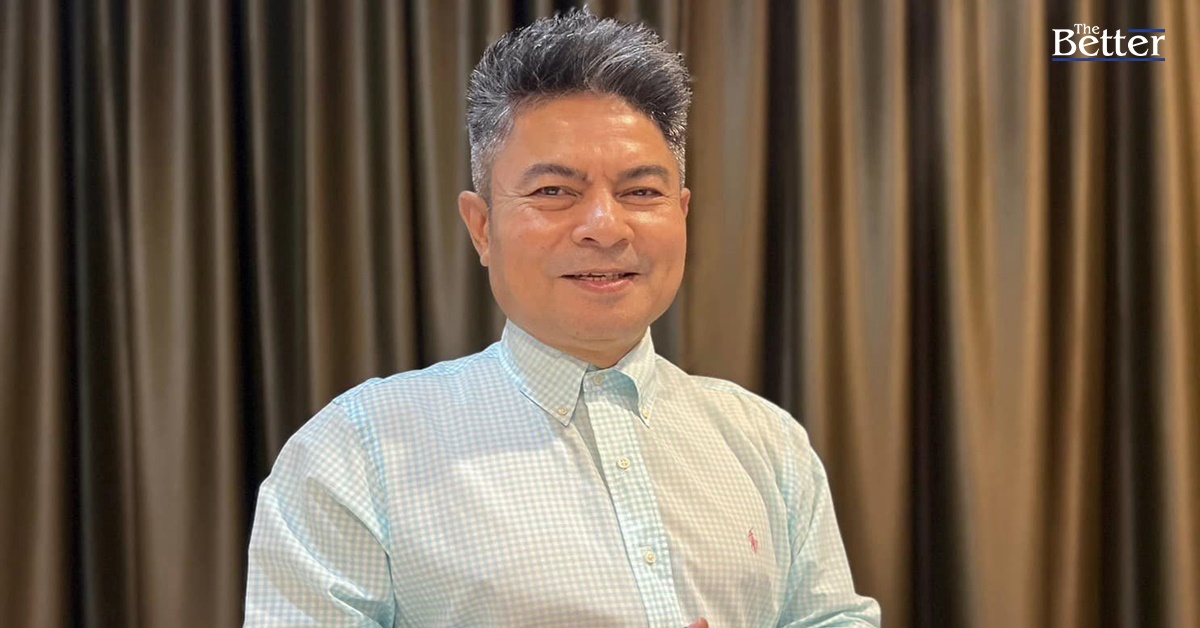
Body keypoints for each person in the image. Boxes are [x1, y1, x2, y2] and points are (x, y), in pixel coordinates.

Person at [244, 10, 881, 627]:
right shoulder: (357, 451)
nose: (605, 226)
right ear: (482, 227)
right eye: (554, 192)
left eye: (641, 192)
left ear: (682, 213)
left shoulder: (768, 441)